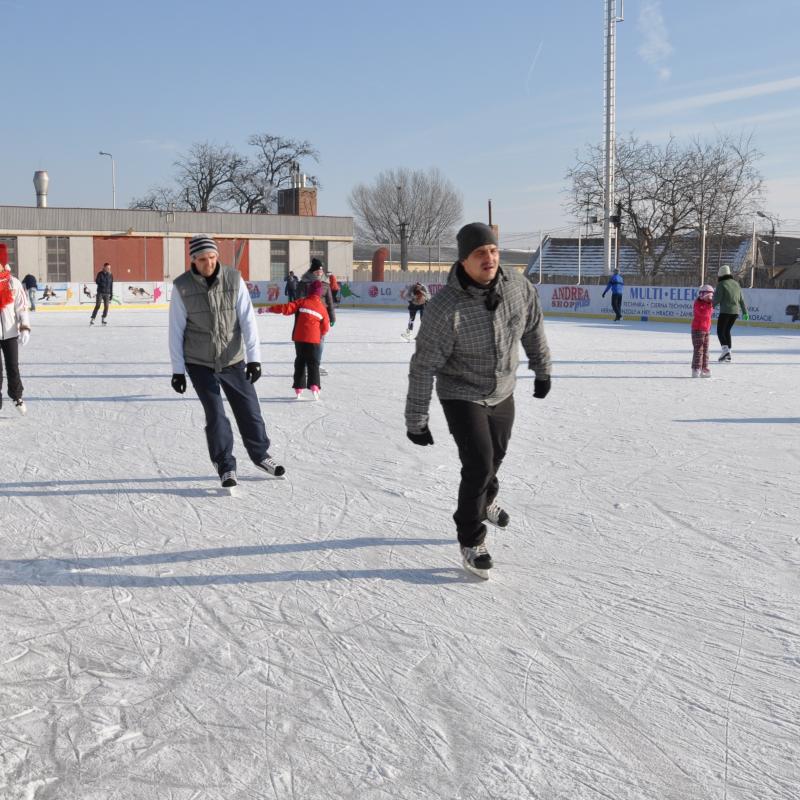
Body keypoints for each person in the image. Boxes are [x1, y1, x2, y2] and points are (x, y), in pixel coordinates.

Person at [405, 222, 552, 578]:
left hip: (503, 388)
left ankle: (486, 498)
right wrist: (416, 419)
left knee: (495, 457)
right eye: (480, 253)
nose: (489, 258)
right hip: (461, 392)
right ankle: (471, 537)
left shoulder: (518, 286)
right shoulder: (444, 308)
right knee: (479, 464)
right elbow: (424, 365)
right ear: (464, 261)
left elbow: (533, 327)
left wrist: (542, 369)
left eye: (493, 250)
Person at [169, 234, 285, 488]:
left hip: (233, 358)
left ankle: (261, 455)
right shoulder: (182, 286)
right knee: (216, 415)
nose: (208, 263)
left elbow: (248, 320)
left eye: (212, 257)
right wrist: (178, 370)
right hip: (199, 362)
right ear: (193, 260)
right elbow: (176, 330)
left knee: (249, 410)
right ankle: (225, 466)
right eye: (202, 259)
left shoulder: (233, 279)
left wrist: (255, 359)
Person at [265, 280, 330, 400]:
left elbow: (286, 308)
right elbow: (326, 327)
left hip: (299, 338)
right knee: (313, 363)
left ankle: (298, 388)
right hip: (314, 339)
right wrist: (320, 333)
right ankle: (314, 385)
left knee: (300, 361)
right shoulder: (322, 307)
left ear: (309, 291)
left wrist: (269, 309)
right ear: (320, 293)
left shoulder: (302, 302)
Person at [0, 246, 31, 415]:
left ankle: (16, 396)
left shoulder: (13, 283)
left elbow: (22, 308)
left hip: (10, 332)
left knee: (13, 366)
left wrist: (25, 327)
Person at [298, 258, 336, 375]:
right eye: (317, 271)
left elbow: (329, 301)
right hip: (307, 318)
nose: (320, 273)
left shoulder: (325, 284)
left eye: (321, 271)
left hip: (321, 317)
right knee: (306, 343)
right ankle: (304, 366)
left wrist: (332, 317)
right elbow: (299, 300)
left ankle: (315, 365)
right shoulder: (304, 283)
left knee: (320, 342)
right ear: (312, 271)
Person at [713, 264, 748, 362]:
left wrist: (709, 307)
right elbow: (741, 299)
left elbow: (717, 299)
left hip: (725, 312)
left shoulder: (721, 284)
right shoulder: (736, 284)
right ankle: (728, 354)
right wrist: (745, 312)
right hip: (735, 312)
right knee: (727, 331)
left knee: (720, 332)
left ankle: (725, 351)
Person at [691, 284, 714, 378]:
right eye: (709, 296)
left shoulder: (709, 304)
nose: (710, 298)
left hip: (706, 329)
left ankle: (704, 368)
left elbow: (709, 314)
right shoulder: (698, 303)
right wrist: (709, 304)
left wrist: (710, 303)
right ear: (703, 295)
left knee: (706, 350)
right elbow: (703, 314)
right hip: (697, 329)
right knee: (699, 350)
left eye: (711, 296)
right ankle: (696, 368)